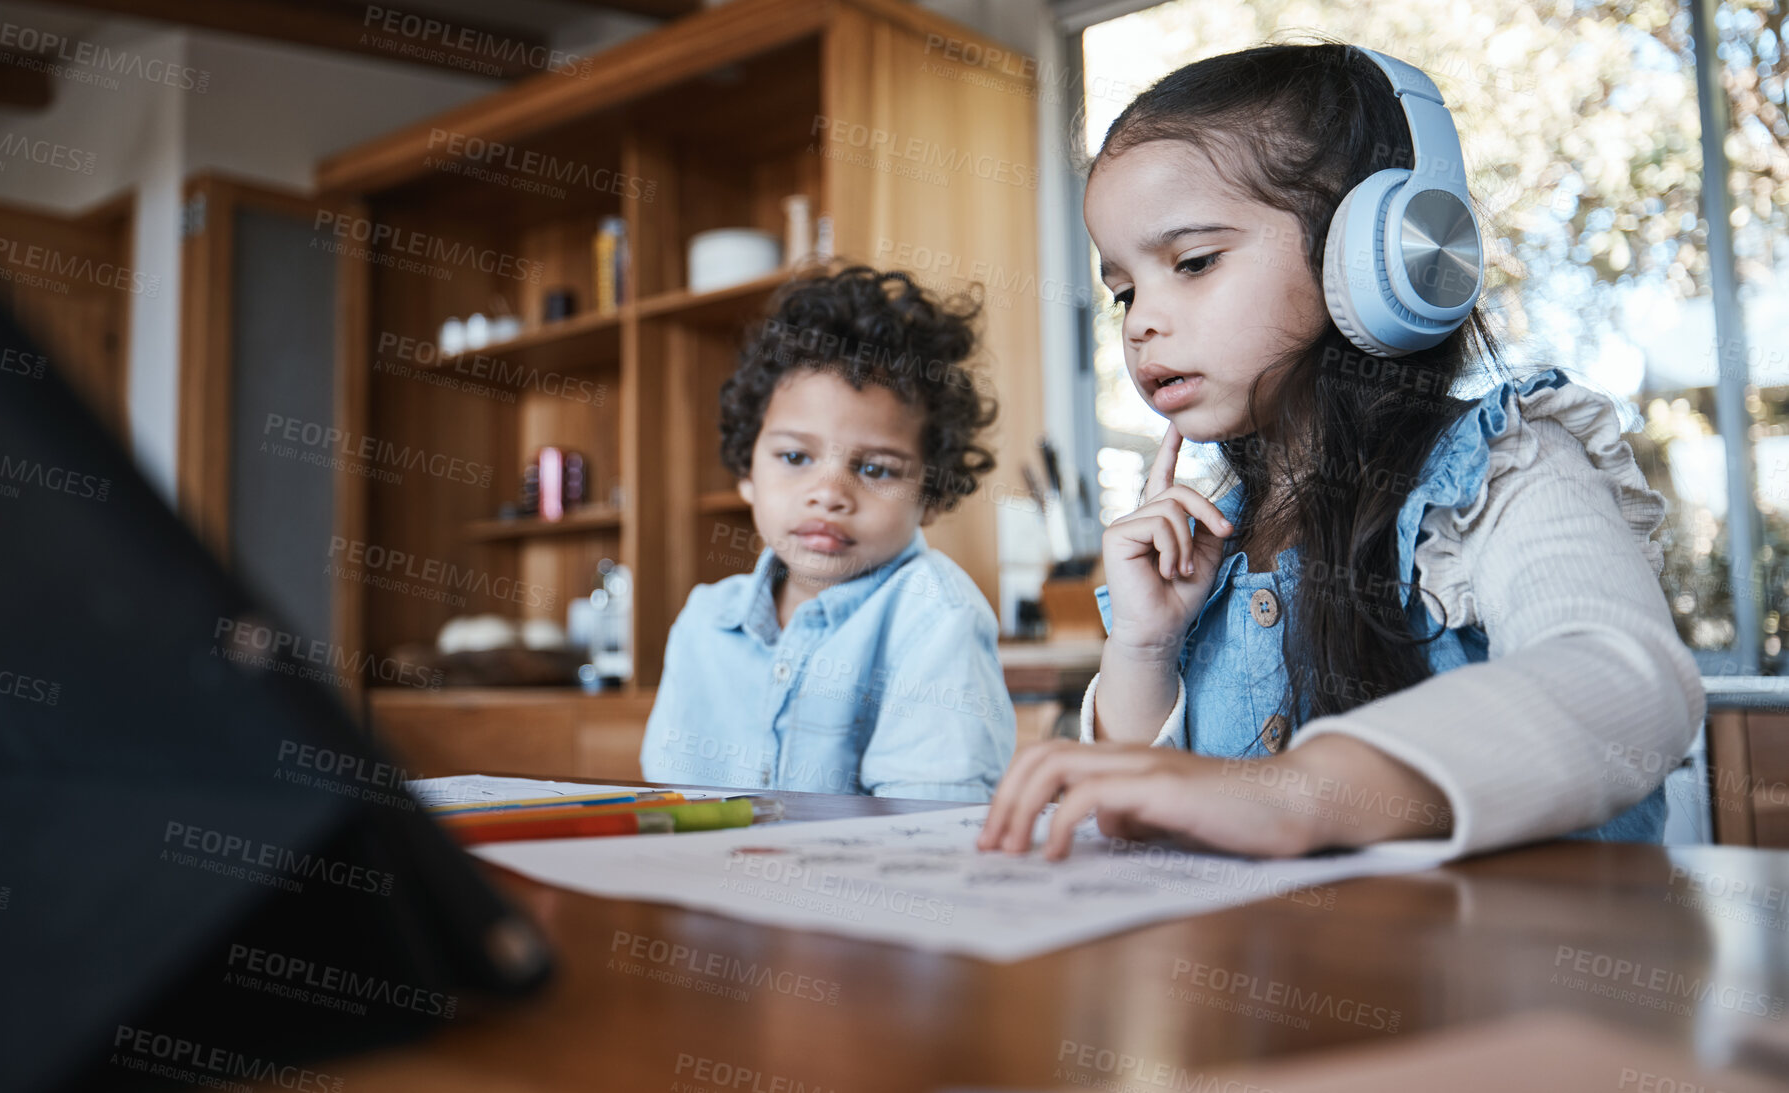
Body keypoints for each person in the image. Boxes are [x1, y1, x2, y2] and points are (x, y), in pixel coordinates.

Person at [978, 42, 1703, 859]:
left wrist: (1302, 792)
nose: (1140, 319)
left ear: (1376, 252)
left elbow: (1626, 689)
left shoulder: (1502, 466)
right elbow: (1142, 828)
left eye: (1192, 262)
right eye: (1123, 290)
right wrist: (1143, 648)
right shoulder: (1206, 535)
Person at [639, 265, 1015, 801]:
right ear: (747, 471)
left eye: (878, 469)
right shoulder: (704, 624)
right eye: (795, 457)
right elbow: (671, 803)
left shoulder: (937, 620)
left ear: (930, 496)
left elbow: (929, 834)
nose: (829, 492)